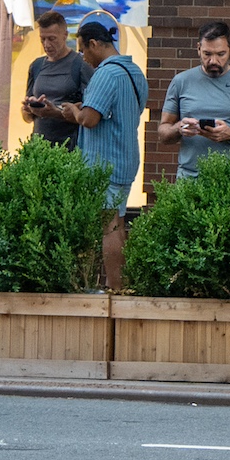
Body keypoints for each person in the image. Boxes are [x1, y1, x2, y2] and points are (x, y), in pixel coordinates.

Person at [52, 20, 144, 290]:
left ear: (94, 44)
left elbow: (90, 120)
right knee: (117, 223)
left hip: (104, 162)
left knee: (109, 227)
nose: (83, 57)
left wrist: (73, 111)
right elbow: (120, 111)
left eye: (83, 50)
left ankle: (115, 288)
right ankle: (122, 286)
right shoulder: (134, 71)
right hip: (126, 157)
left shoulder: (105, 74)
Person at [156, 21, 230, 176]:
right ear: (198, 49)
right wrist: (179, 128)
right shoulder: (181, 81)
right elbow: (163, 133)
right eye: (207, 54)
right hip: (189, 176)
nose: (213, 61)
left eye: (220, 54)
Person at [20, 10, 86, 147]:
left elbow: (89, 115)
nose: (46, 45)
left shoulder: (80, 65)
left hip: (70, 148)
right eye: (42, 39)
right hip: (39, 147)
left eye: (52, 39)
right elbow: (28, 118)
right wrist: (28, 109)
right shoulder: (36, 66)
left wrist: (57, 113)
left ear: (65, 36)